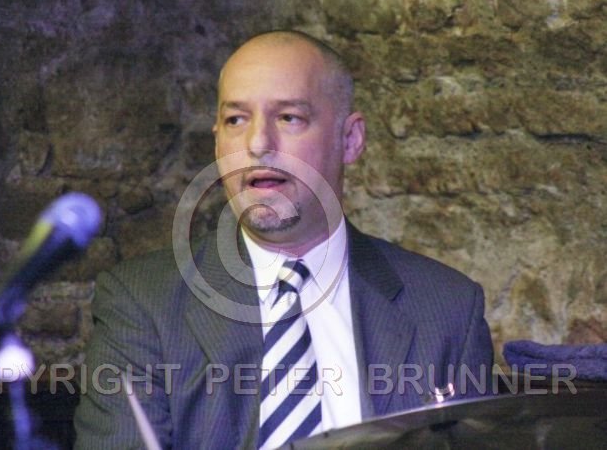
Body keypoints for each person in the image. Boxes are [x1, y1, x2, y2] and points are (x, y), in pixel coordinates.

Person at [74, 30, 494, 449]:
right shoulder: (142, 303)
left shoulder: (449, 310)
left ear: (350, 139)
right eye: (236, 120)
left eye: (289, 118)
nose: (258, 143)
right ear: (217, 141)